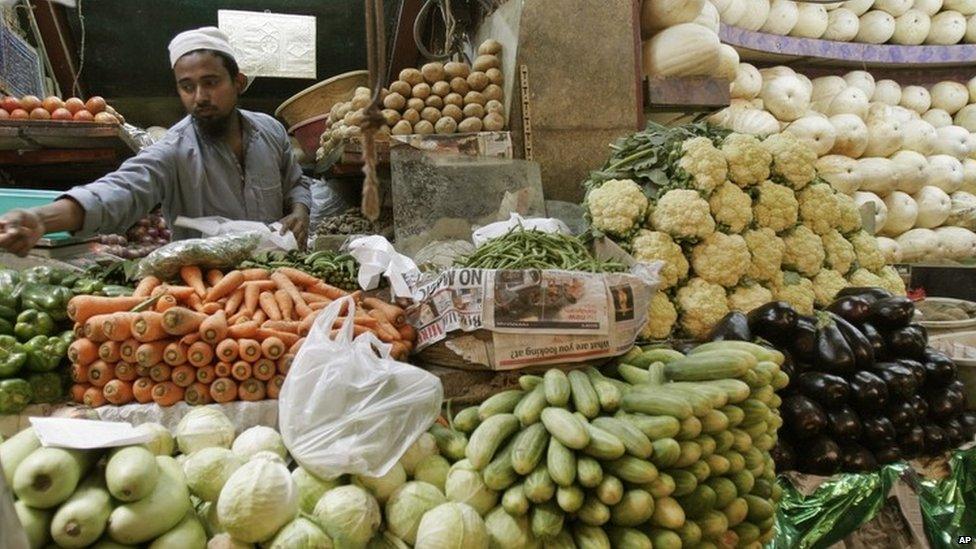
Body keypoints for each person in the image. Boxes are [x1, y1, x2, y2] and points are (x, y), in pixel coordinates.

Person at [0, 27, 312, 255]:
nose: (200, 97)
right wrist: (40, 218)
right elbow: (119, 191)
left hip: (279, 278)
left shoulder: (270, 131)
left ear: (238, 82)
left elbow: (295, 182)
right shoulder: (174, 148)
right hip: (208, 293)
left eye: (211, 82)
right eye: (187, 87)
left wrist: (300, 211)